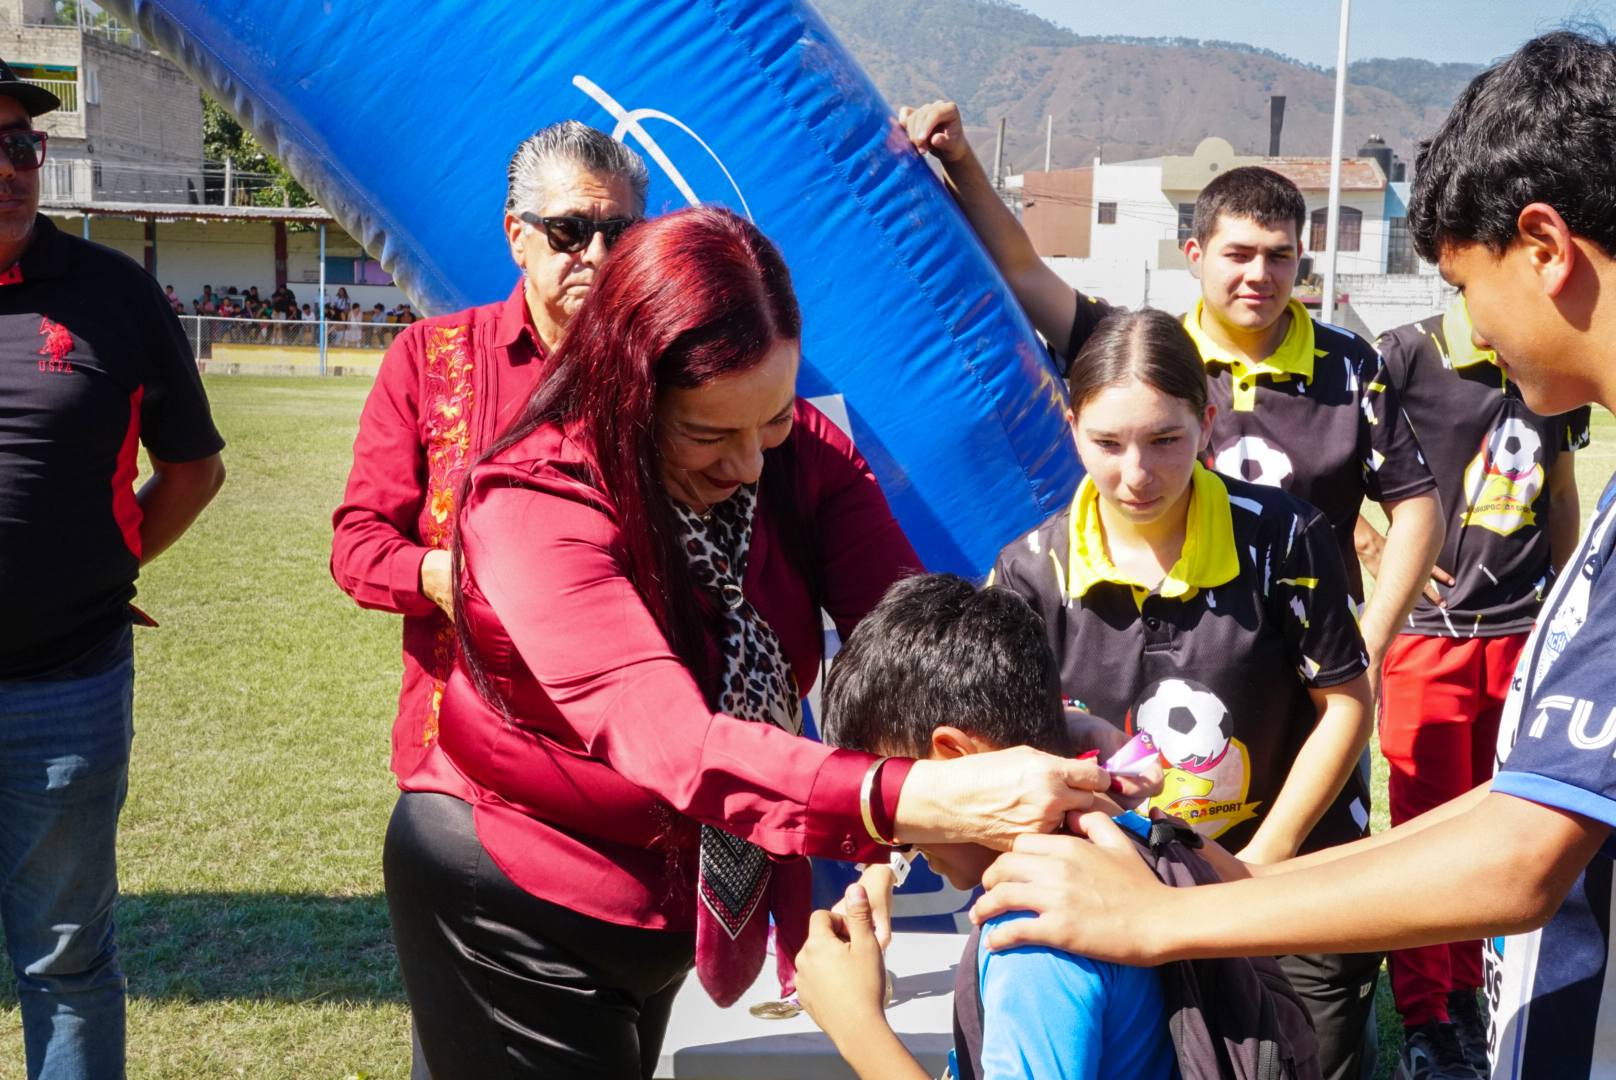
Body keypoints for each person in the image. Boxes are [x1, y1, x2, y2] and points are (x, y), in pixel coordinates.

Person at [966, 30, 1616, 1080]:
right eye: (1111, 443)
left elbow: (1521, 855)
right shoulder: (1039, 553)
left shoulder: (1333, 424)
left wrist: (1187, 907)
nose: (1470, 333)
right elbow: (1521, 815)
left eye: (1464, 286)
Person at [382, 205, 1112, 1079]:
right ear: (625, 394)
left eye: (772, 421)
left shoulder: (801, 456)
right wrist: (911, 800)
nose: (750, 467)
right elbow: (673, 742)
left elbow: (913, 644)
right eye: (708, 435)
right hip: (515, 894)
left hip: (664, 892)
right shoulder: (533, 503)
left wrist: (1038, 737)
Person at [900, 101, 1442, 700]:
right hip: (1189, 674)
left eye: (1279, 255)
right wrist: (962, 160)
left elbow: (1417, 507)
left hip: (1320, 675)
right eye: (1238, 254)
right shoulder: (1144, 357)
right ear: (1195, 255)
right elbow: (1024, 272)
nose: (1260, 274)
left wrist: (1372, 640)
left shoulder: (1350, 365)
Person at [984, 306, 1375, 1072]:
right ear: (1071, 427)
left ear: (1208, 422)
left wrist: (1261, 863)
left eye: (1165, 439)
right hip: (1128, 891)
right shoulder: (1028, 571)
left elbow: (1347, 705)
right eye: (1107, 443)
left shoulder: (1286, 537)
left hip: (1291, 878)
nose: (1137, 474)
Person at [0, 62, 226, 1078]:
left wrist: (103, 563)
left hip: (66, 689)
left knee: (64, 961)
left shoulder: (113, 292)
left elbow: (192, 470)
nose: (10, 167)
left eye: (22, 145)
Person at [332, 120, 651, 784]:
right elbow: (357, 546)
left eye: (618, 235)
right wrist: (444, 577)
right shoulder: (429, 358)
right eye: (569, 231)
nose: (595, 255)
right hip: (458, 765)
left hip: (624, 760)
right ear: (517, 236)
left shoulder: (667, 372)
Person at [797, 573, 1177, 1080]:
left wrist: (855, 1025)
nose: (892, 834)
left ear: (953, 756)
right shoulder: (1115, 836)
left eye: (897, 798)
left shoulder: (1036, 931)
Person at [1356, 295, 1589, 1078]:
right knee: (1429, 833)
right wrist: (1378, 546)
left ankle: (1466, 996)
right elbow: (1332, 473)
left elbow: (1561, 492)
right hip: (1432, 641)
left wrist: (1563, 607)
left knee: (1504, 827)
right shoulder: (1401, 355)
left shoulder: (1551, 350)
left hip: (1523, 637)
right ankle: (1426, 1018)